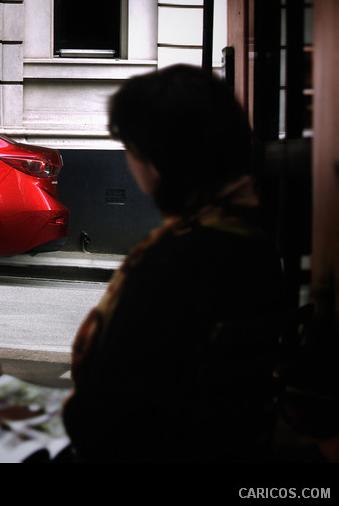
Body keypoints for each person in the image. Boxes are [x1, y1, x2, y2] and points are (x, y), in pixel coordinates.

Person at [63, 64, 284, 462]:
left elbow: (106, 422)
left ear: (158, 162)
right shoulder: (257, 246)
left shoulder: (168, 264)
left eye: (130, 150)